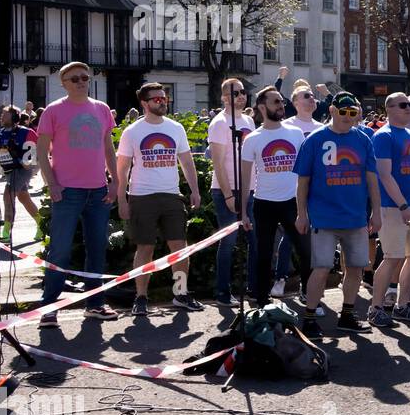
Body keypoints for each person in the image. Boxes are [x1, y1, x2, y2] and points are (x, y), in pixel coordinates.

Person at [36, 64, 120, 326]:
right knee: (59, 251)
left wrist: (115, 181)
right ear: (64, 83)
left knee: (97, 250)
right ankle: (48, 308)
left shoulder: (102, 109)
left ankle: (94, 304)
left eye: (85, 77)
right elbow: (41, 152)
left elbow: (108, 148)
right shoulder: (53, 110)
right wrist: (52, 184)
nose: (81, 81)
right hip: (66, 191)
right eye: (75, 79)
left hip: (98, 191)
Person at [293, 92, 383, 335]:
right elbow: (303, 181)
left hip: (355, 218)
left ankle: (348, 314)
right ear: (332, 111)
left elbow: (372, 179)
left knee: (356, 268)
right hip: (324, 217)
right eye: (343, 112)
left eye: (352, 113)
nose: (348, 117)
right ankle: (309, 318)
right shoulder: (314, 139)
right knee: (321, 268)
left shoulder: (364, 139)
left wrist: (377, 212)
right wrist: (301, 214)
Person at [116, 82, 205, 317]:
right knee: (145, 248)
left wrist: (194, 190)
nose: (162, 102)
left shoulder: (175, 128)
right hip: (141, 196)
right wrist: (122, 199)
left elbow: (186, 161)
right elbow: (122, 168)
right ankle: (141, 297)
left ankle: (180, 294)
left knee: (179, 249)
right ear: (144, 103)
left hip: (171, 195)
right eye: (156, 99)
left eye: (164, 98)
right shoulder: (132, 131)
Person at [239, 86, 309, 308]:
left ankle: (309, 296)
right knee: (263, 255)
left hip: (293, 203)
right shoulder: (252, 139)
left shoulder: (296, 133)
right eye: (276, 102)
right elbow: (245, 179)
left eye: (281, 101)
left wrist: (306, 206)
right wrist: (243, 212)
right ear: (262, 107)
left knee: (306, 252)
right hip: (264, 204)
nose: (281, 106)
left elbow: (306, 173)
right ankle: (261, 301)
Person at [369, 93, 410, 326]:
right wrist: (403, 205)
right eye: (404, 105)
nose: (409, 109)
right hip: (394, 207)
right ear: (389, 109)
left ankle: (402, 305)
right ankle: (375, 309)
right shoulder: (383, 136)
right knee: (392, 258)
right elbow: (384, 174)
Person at [207, 78, 254, 307]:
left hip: (250, 188)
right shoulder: (219, 123)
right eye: (236, 93)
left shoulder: (249, 121)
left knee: (253, 240)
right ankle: (222, 293)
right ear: (224, 97)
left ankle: (252, 289)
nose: (242, 96)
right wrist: (228, 195)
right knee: (228, 243)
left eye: (243, 92)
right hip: (227, 189)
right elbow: (217, 163)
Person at [0, 106, 38, 244]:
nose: (1, 116)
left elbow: (35, 152)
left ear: (14, 117)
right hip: (8, 171)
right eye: (2, 114)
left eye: (5, 114)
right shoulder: (0, 133)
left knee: (8, 195)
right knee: (24, 198)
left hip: (22, 170)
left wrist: (29, 162)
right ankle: (42, 225)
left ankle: (6, 234)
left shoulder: (26, 132)